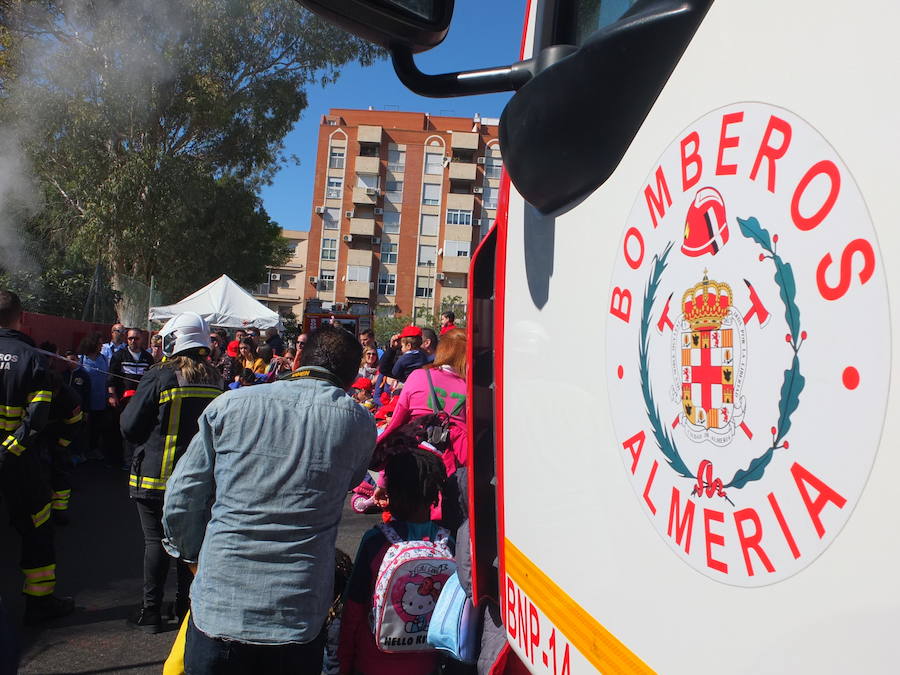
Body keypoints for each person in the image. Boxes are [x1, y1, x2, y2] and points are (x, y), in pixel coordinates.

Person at [162, 325, 376, 674]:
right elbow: (351, 480)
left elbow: (182, 495)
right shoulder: (359, 422)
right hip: (298, 612)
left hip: (221, 603)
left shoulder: (230, 404)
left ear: (297, 358)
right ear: (352, 378)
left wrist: (191, 556)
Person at [120, 312, 224, 633]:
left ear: (173, 340)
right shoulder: (215, 379)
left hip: (156, 478)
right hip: (198, 482)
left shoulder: (159, 376)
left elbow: (130, 426)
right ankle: (184, 609)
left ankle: (150, 612)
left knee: (156, 542)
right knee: (188, 545)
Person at [337, 444, 451, 675]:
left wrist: (343, 662)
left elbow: (354, 608)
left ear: (391, 493)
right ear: (433, 495)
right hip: (426, 662)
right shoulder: (447, 542)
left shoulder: (376, 541)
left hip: (373, 661)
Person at [0, 290, 74, 622]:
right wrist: (8, 451)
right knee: (37, 528)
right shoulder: (32, 359)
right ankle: (39, 603)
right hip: (18, 462)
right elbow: (36, 420)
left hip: (13, 458)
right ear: (21, 317)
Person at [375, 329, 468, 525]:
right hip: (451, 474)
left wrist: (383, 479)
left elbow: (396, 427)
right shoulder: (470, 389)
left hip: (412, 466)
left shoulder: (418, 376)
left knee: (407, 527)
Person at [108, 328, 155, 469]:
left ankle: (136, 460)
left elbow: (152, 379)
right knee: (122, 429)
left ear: (142, 339)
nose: (133, 341)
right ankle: (122, 460)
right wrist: (112, 395)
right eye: (130, 338)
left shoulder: (148, 358)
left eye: (136, 338)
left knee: (140, 429)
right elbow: (111, 377)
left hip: (142, 401)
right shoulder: (119, 356)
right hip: (123, 402)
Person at [77, 333, 109, 461]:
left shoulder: (104, 359)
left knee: (96, 426)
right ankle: (81, 450)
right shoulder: (81, 359)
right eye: (99, 344)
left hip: (100, 399)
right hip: (85, 399)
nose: (101, 346)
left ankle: (93, 449)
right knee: (82, 426)